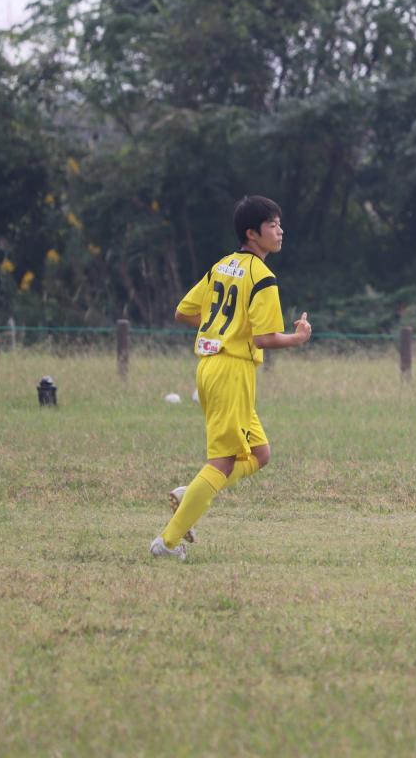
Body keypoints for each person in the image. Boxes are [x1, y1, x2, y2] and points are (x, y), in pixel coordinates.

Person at [150, 195, 312, 560]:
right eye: (272, 225)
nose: (280, 231)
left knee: (260, 453)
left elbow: (183, 311)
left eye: (279, 224)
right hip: (232, 372)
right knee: (222, 462)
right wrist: (298, 338)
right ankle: (167, 543)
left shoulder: (222, 265)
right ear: (252, 233)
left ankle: (192, 492)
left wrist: (220, 330)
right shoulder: (263, 277)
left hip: (210, 368)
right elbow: (264, 338)